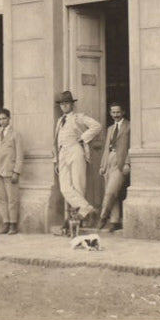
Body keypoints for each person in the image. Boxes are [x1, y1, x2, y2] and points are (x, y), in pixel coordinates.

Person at [52, 90, 102, 231]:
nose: (64, 106)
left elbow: (96, 126)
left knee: (78, 185)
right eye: (62, 104)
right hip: (62, 153)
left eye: (67, 103)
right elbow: (56, 141)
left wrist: (83, 138)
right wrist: (56, 159)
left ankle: (75, 221)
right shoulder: (59, 121)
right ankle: (88, 210)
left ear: (72, 105)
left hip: (75, 150)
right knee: (65, 188)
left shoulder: (79, 117)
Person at [96, 103, 131, 232]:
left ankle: (103, 216)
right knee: (112, 192)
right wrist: (103, 165)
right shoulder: (110, 128)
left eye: (118, 112)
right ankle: (115, 221)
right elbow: (106, 148)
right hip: (109, 160)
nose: (115, 115)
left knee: (110, 191)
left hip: (120, 161)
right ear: (110, 113)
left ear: (123, 112)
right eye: (113, 112)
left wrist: (128, 163)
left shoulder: (129, 126)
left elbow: (131, 147)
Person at [0, 107, 24, 235]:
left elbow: (20, 154)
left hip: (10, 172)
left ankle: (13, 224)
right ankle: (5, 223)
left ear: (9, 119)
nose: (2, 121)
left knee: (12, 199)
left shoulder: (15, 134)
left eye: (4, 118)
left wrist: (17, 171)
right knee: (1, 199)